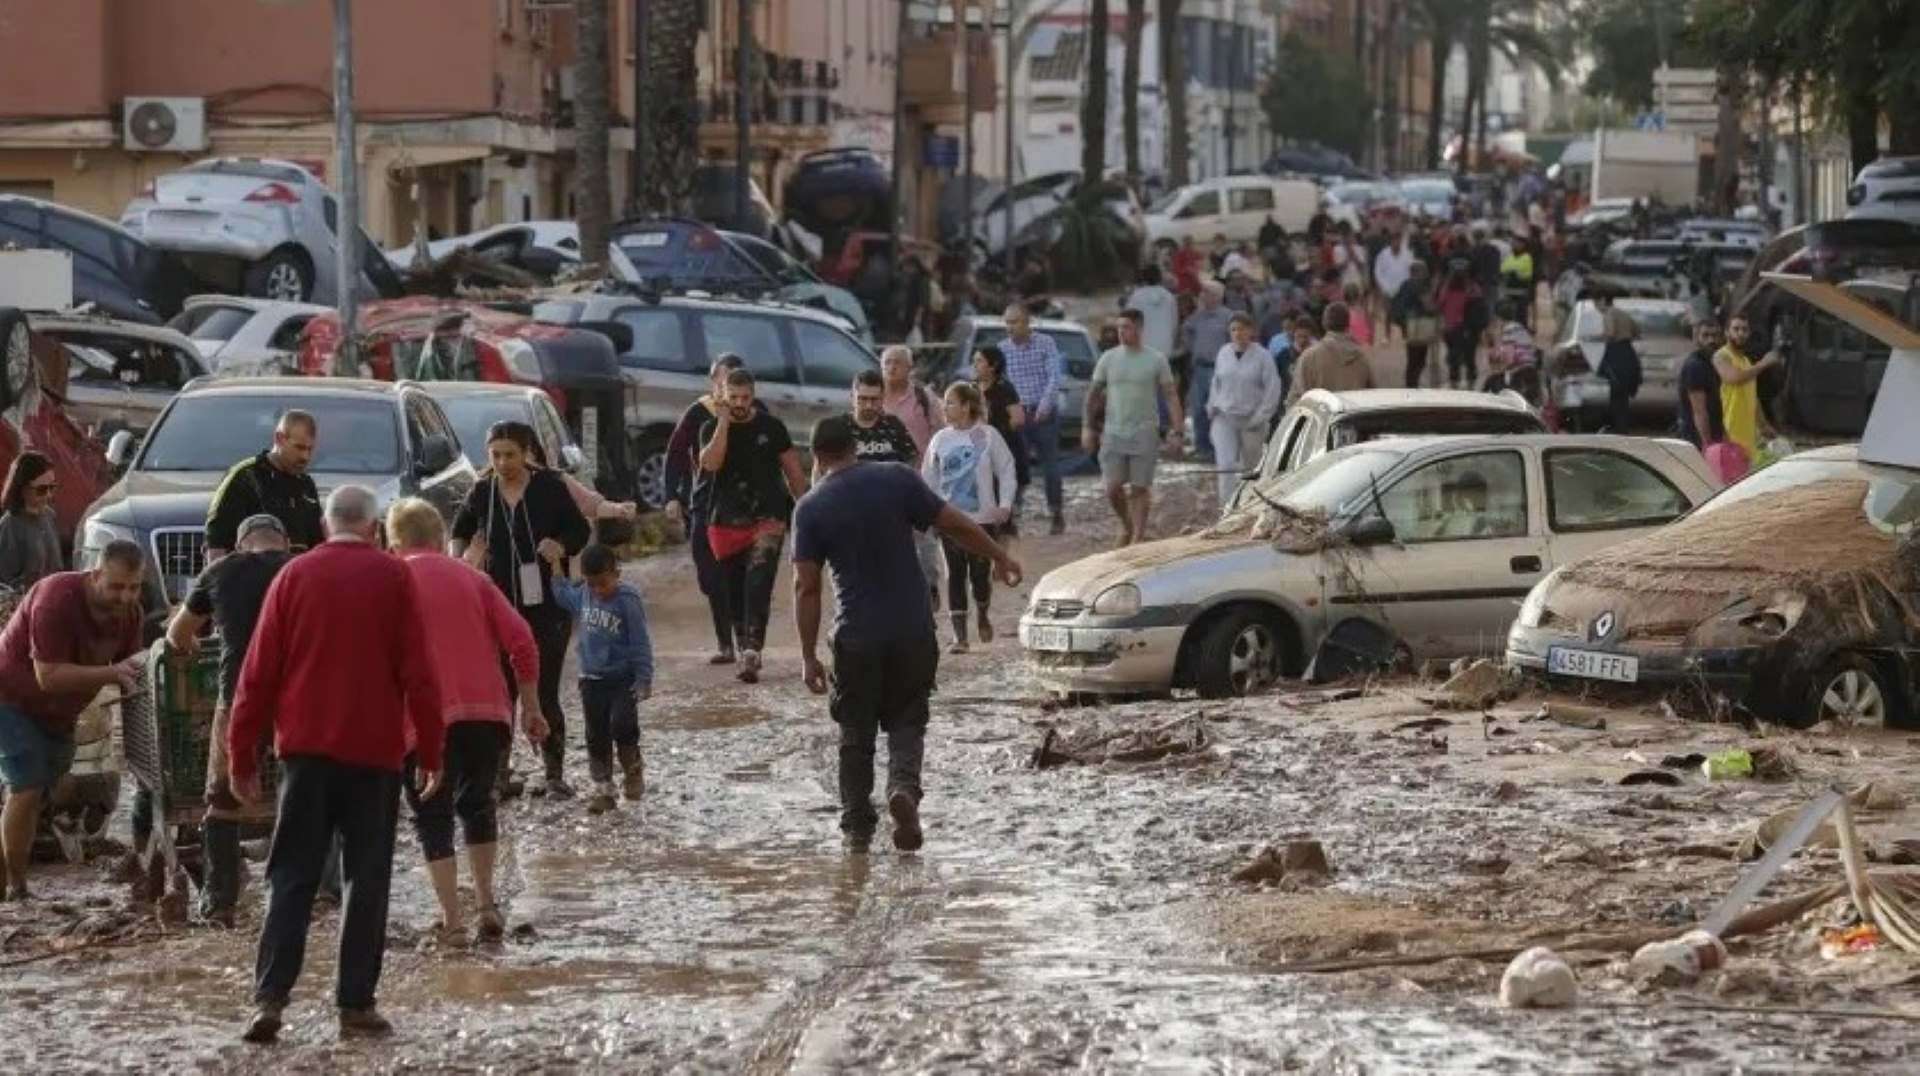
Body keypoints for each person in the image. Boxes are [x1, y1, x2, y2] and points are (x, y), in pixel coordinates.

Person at [228, 486, 444, 1043]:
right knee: (365, 878)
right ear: (374, 529)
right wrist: (432, 749)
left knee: (291, 875)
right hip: (373, 756)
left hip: (304, 754)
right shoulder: (395, 577)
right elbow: (419, 671)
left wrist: (240, 752)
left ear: (326, 527)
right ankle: (354, 1005)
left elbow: (256, 675)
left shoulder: (294, 577)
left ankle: (270, 1001)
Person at [791, 417, 1022, 853]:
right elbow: (954, 524)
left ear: (816, 456)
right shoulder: (896, 478)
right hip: (912, 629)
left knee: (855, 736)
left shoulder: (811, 507)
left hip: (856, 635)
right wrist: (998, 557)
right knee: (907, 721)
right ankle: (903, 789)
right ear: (855, 446)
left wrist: (807, 655)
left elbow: (806, 586)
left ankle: (857, 832)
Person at [385, 499, 543, 946]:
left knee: (431, 816)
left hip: (422, 721)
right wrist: (531, 706)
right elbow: (523, 641)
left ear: (394, 545)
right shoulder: (475, 579)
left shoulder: (392, 584)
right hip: (486, 714)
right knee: (478, 804)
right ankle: (488, 905)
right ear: (439, 539)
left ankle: (452, 920)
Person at [162, 514, 295, 925]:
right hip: (297, 696)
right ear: (285, 543)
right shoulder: (299, 569)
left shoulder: (219, 570)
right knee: (306, 790)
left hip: (238, 694)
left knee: (223, 799)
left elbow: (177, 636)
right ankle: (319, 894)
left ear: (240, 545)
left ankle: (220, 903)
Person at [450, 421, 592, 797]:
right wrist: (462, 559)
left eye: (510, 455)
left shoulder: (550, 488)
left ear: (527, 453)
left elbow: (580, 530)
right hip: (496, 605)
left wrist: (561, 547)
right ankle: (499, 774)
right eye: (495, 455)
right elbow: (459, 529)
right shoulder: (482, 492)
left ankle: (554, 773)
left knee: (544, 689)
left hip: (546, 605)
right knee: (501, 693)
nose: (502, 462)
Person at [0, 542, 144, 901]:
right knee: (26, 785)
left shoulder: (131, 613)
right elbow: (47, 675)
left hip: (60, 713)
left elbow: (133, 672)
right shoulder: (56, 598)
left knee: (45, 787)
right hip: (10, 697)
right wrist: (111, 672)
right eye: (116, 586)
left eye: (134, 587)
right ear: (95, 576)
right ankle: (17, 890)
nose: (125, 596)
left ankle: (10, 876)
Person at [698, 369, 807, 684]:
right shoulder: (710, 427)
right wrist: (723, 423)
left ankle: (751, 651)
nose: (740, 404)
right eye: (734, 398)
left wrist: (807, 508)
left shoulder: (771, 428)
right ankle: (742, 643)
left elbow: (794, 473)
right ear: (723, 396)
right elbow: (711, 463)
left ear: (754, 394)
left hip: (768, 517)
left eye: (745, 397)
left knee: (758, 583)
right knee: (733, 588)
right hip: (725, 520)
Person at [664, 354, 757, 665]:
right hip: (704, 504)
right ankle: (731, 634)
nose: (726, 386)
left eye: (733, 379)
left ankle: (735, 643)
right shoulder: (698, 413)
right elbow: (675, 454)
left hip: (743, 509)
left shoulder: (756, 414)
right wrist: (671, 495)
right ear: (714, 382)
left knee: (735, 576)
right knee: (709, 578)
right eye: (721, 379)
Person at [553, 544, 654, 815]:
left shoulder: (628, 599)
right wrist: (554, 565)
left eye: (603, 583)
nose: (598, 590)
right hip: (590, 679)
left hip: (622, 678)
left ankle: (633, 769)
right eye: (592, 583)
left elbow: (640, 641)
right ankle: (603, 789)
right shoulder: (584, 594)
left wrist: (644, 678)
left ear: (616, 573)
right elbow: (563, 595)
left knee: (622, 724)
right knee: (595, 734)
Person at [922, 383, 1017, 653]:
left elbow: (1007, 470)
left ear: (966, 406)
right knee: (954, 574)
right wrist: (928, 513)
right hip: (950, 519)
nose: (945, 407)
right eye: (945, 402)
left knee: (979, 574)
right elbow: (929, 478)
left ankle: (983, 613)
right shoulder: (940, 440)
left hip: (983, 519)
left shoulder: (988, 436)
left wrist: (1005, 504)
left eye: (951, 402)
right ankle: (959, 636)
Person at [1086, 309, 1185, 547]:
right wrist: (1087, 428)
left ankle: (1138, 537)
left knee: (1139, 488)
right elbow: (1092, 395)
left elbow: (1171, 396)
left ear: (1139, 329)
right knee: (1112, 488)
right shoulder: (1108, 358)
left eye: (1127, 327)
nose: (1121, 332)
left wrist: (1178, 431)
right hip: (1113, 431)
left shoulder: (1156, 359)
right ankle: (1126, 524)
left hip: (1145, 431)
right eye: (1119, 327)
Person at [206, 411, 324, 559]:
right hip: (251, 577)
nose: (305, 457)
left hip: (295, 578)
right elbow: (216, 542)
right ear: (279, 438)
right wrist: (221, 581)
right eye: (299, 447)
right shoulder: (245, 477)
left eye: (310, 449)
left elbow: (317, 545)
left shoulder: (306, 485)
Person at [879, 345, 946, 606]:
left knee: (924, 538)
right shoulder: (874, 398)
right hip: (882, 481)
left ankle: (929, 588)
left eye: (897, 363)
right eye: (886, 363)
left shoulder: (923, 397)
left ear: (910, 368)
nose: (891, 368)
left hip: (920, 477)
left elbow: (941, 434)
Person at [1000, 304, 1068, 535]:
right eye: (1007, 323)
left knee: (1051, 465)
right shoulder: (1002, 349)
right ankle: (1012, 516)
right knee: (1014, 466)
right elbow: (1001, 384)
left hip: (1044, 414)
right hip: (1016, 415)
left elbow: (1054, 376)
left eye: (1015, 322)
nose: (1010, 327)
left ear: (1028, 322)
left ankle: (1056, 513)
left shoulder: (1045, 343)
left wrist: (1045, 405)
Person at [1208, 313, 1285, 505]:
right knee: (1225, 465)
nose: (1238, 333)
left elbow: (1272, 388)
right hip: (1224, 416)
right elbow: (1216, 382)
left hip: (1252, 419)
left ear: (1251, 331)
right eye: (1233, 329)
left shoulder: (1262, 356)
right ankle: (1225, 507)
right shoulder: (1224, 352)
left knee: (1250, 468)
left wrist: (1261, 416)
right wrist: (1212, 406)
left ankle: (1248, 505)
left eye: (1242, 329)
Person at [1176, 281, 1234, 462]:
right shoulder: (1197, 317)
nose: (1202, 296)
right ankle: (1202, 447)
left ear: (1217, 296)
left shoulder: (1228, 317)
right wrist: (1191, 348)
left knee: (1219, 409)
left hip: (1220, 369)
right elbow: (1186, 330)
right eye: (1203, 293)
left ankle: (1221, 448)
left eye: (1207, 293)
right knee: (1198, 408)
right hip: (1200, 368)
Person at [1714, 314, 1783, 460]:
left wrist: (1763, 425)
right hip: (1729, 432)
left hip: (1748, 435)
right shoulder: (1721, 356)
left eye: (1744, 330)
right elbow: (1734, 378)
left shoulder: (1746, 361)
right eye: (1736, 329)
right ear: (1727, 332)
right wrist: (1764, 363)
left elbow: (1752, 396)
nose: (1740, 333)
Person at [1287, 302, 1377, 405]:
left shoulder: (1309, 357)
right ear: (1348, 324)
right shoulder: (1361, 358)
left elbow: (1294, 401)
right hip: (1353, 419)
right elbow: (1372, 397)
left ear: (1324, 324)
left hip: (1322, 420)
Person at [972, 345, 1029, 504]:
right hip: (979, 451)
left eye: (979, 361)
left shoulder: (1004, 388)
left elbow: (1018, 419)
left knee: (1004, 501)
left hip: (1006, 449)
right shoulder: (972, 388)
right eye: (974, 361)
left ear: (993, 365)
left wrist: (998, 435)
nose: (975, 365)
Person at [0, 452, 63, 593]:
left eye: (51, 487)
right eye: (42, 489)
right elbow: (4, 584)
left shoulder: (49, 515)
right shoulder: (9, 526)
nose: (48, 495)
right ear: (22, 488)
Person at [847, 369, 921, 466]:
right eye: (863, 399)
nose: (869, 405)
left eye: (874, 399)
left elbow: (913, 459)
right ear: (852, 398)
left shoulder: (893, 425)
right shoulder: (840, 428)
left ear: (882, 398)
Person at [1594, 291, 1642, 432]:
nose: (1597, 307)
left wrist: (1595, 338)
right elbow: (1637, 331)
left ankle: (1618, 428)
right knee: (1623, 396)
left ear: (1603, 300)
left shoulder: (1609, 314)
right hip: (1628, 352)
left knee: (1617, 394)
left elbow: (1610, 333)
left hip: (1616, 353)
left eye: (1596, 303)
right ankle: (1622, 426)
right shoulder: (1623, 313)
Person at [1677, 319, 1728, 451]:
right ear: (1697, 339)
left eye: (1715, 335)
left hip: (1717, 433)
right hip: (1696, 438)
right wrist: (1707, 443)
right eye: (1705, 335)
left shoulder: (1718, 362)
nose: (1711, 340)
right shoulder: (1695, 366)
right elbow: (1699, 411)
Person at [1435, 259, 1484, 388]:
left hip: (1455, 329)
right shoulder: (1473, 288)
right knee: (1467, 359)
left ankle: (1458, 385)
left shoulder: (1447, 288)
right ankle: (1468, 386)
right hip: (1464, 330)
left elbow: (1439, 305)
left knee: (1456, 360)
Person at [1393, 262, 1439, 388]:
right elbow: (1428, 306)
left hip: (1407, 326)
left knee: (1412, 359)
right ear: (1417, 272)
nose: (1426, 274)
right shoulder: (1418, 285)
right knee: (1419, 360)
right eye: (1424, 271)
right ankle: (1412, 386)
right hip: (1419, 326)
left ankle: (1411, 385)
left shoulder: (1404, 285)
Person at [1124, 265, 1179, 360]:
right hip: (1165, 348)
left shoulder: (1136, 298)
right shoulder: (1169, 297)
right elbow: (1174, 324)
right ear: (1160, 278)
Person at [1373, 231, 1416, 339]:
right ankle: (1387, 336)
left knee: (1404, 314)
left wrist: (1409, 286)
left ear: (1401, 241)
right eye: (1394, 240)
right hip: (1388, 288)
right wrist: (1382, 286)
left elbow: (1412, 270)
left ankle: (1405, 335)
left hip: (1404, 289)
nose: (1396, 243)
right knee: (1388, 313)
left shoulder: (1408, 254)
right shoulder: (1383, 254)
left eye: (1398, 240)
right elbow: (1378, 272)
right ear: (1390, 241)